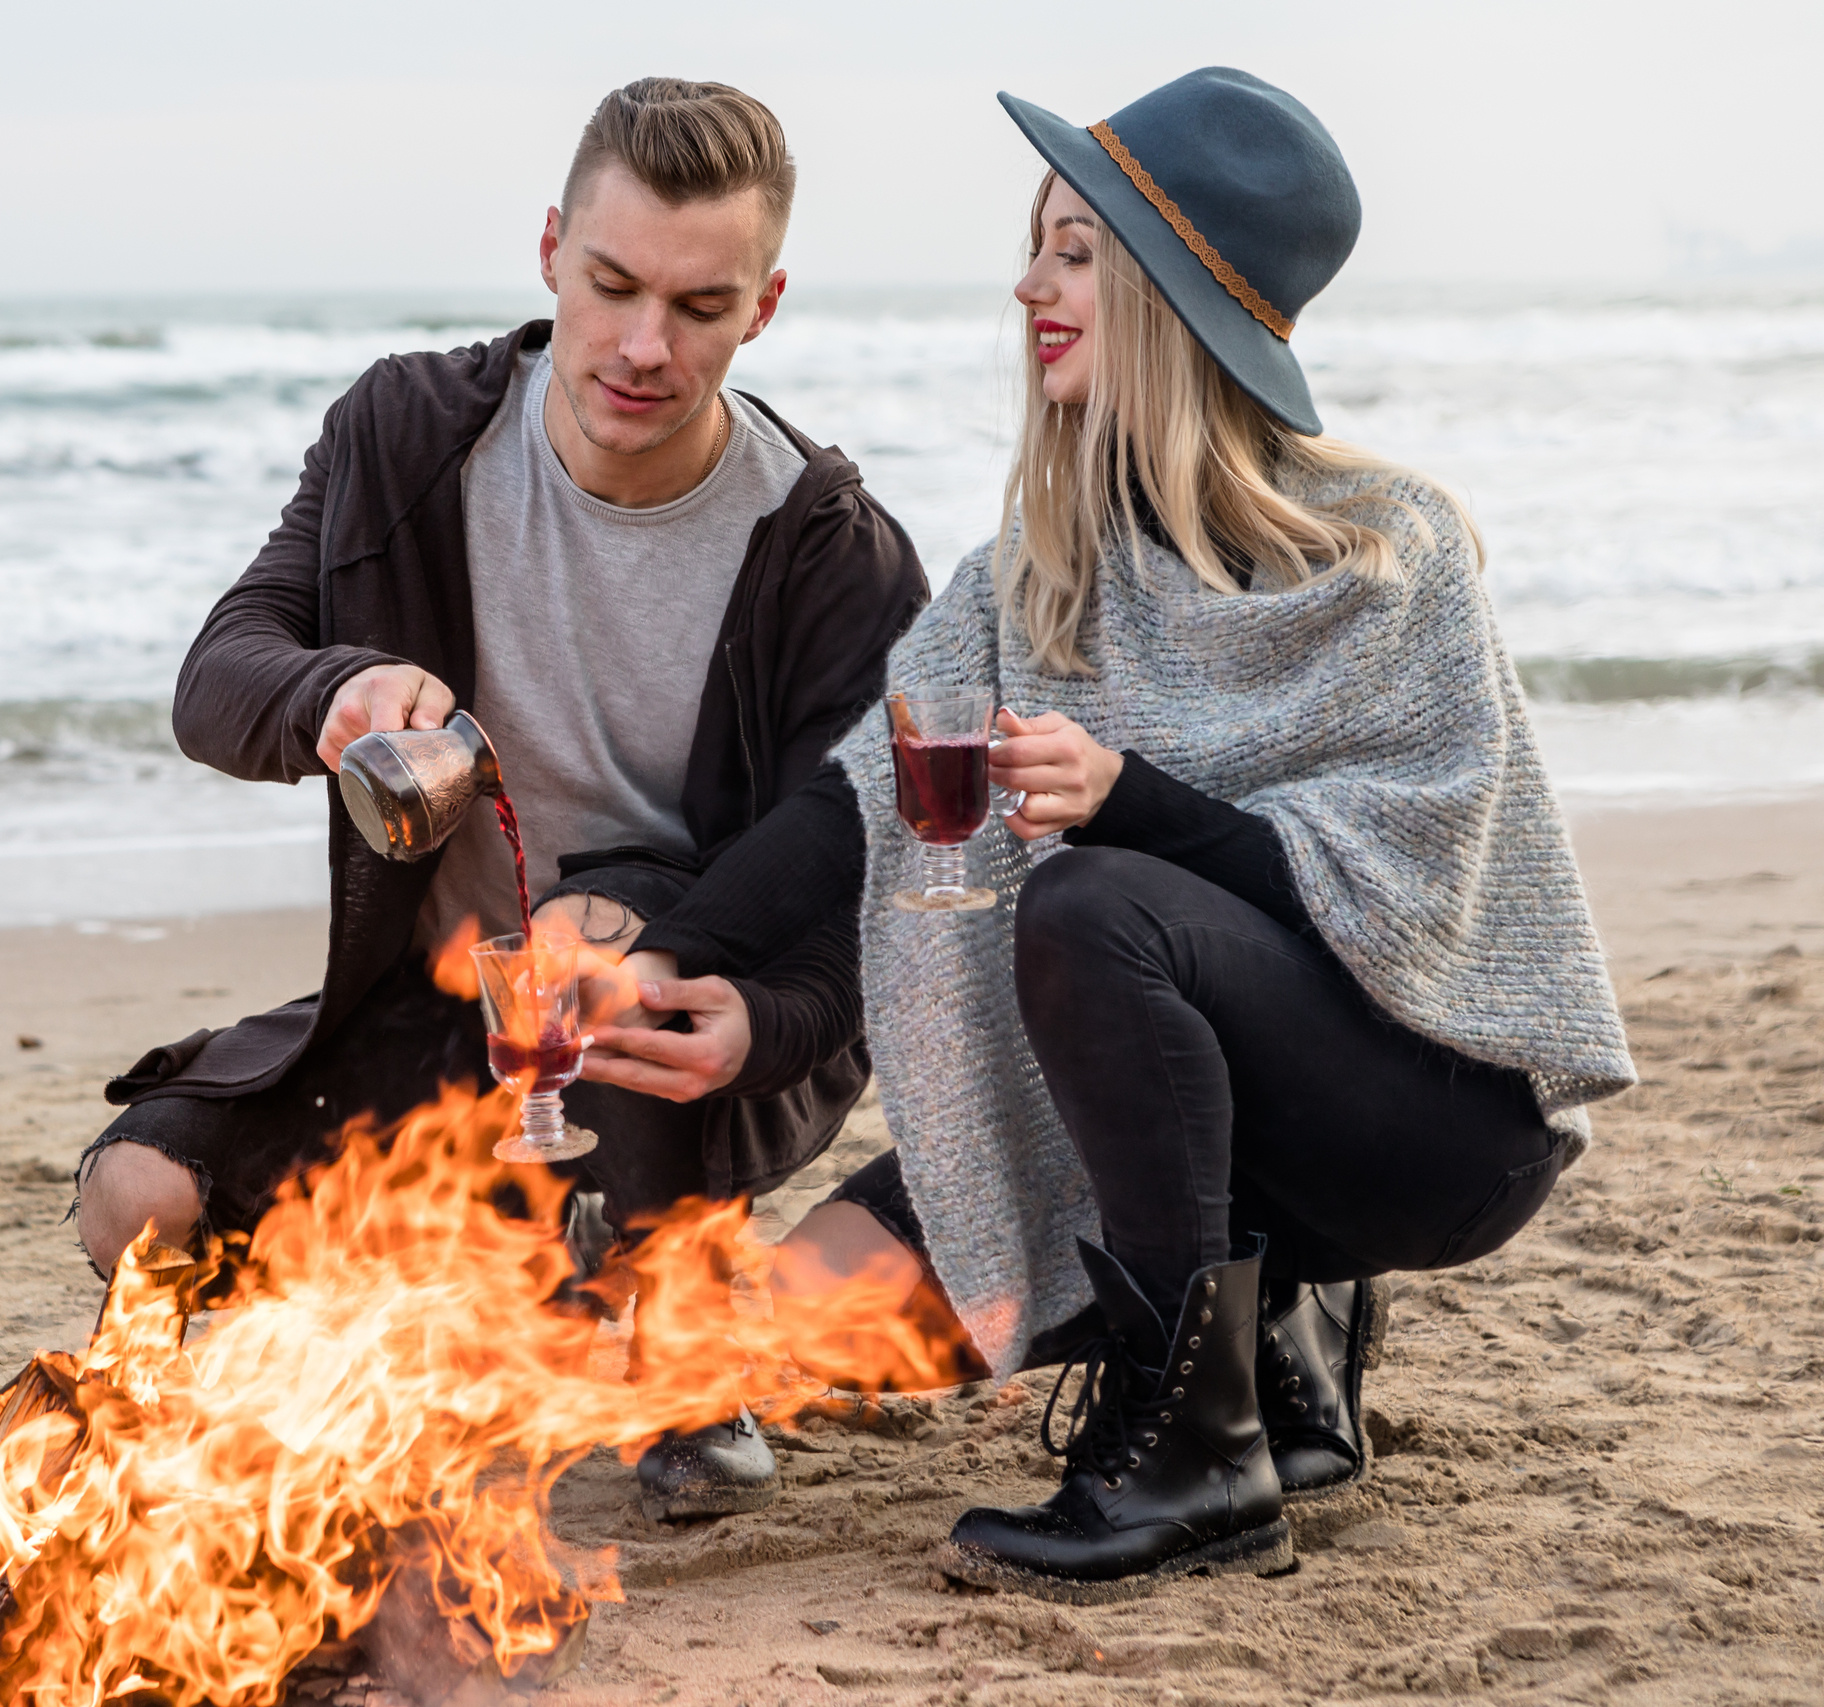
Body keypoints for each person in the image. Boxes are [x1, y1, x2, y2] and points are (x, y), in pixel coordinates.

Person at [583, 67, 1636, 1598]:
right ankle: (1272, 1349)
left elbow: (1414, 910)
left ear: (1171, 291)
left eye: (1076, 251)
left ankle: (1191, 1452)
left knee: (1093, 903)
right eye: (1039, 244)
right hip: (1182, 1130)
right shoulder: (1036, 572)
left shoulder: (1382, 551)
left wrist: (1134, 798)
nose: (1030, 285)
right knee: (802, 1316)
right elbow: (855, 800)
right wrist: (662, 959)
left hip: (1431, 1124)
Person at [71, 78, 928, 1521]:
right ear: (548, 252)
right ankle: (479, 1283)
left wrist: (761, 1027)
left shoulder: (827, 548)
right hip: (422, 1009)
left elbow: (866, 885)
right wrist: (333, 694)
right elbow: (220, 678)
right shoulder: (409, 436)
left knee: (596, 914)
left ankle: (665, 1292)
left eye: (700, 307)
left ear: (764, 307)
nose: (645, 347)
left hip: (664, 1041)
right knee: (135, 1207)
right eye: (611, 287)